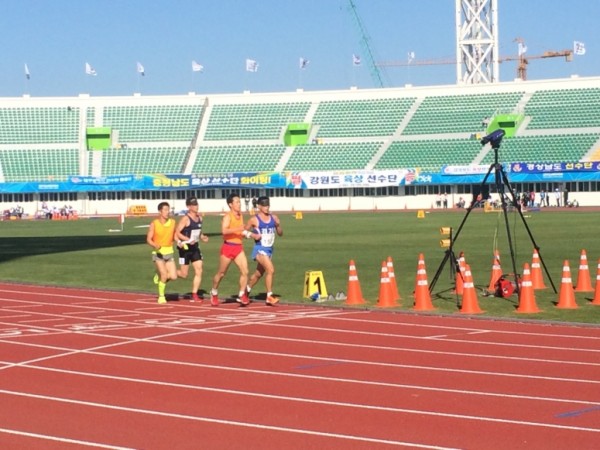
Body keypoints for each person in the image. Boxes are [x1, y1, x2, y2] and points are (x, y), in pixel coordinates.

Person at [210, 193, 257, 307]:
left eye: (239, 202)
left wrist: (250, 234)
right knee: (221, 273)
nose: (239, 204)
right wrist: (238, 228)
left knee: (245, 271)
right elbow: (224, 231)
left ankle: (241, 294)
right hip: (228, 247)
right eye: (237, 202)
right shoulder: (228, 216)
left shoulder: (240, 215)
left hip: (238, 247)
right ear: (230, 204)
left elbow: (241, 231)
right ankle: (214, 292)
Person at [246, 196, 283, 306]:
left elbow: (280, 233)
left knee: (258, 274)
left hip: (269, 250)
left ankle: (245, 292)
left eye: (268, 205)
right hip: (259, 249)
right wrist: (252, 235)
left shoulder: (274, 218)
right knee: (270, 270)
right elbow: (243, 231)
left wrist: (278, 226)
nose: (267, 207)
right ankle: (269, 296)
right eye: (264, 205)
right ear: (259, 206)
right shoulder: (254, 219)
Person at [175, 196, 209, 303]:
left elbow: (198, 231)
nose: (196, 206)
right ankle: (166, 274)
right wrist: (187, 240)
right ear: (188, 207)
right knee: (184, 274)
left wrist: (202, 237)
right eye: (193, 205)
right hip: (184, 249)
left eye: (196, 204)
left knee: (199, 270)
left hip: (194, 248)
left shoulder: (200, 218)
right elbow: (177, 233)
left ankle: (194, 294)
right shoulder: (185, 219)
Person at [146, 202, 177, 304]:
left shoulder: (173, 222)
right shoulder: (154, 224)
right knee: (164, 275)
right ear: (160, 211)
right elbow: (148, 239)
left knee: (173, 276)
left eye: (168, 210)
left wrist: (179, 241)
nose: (168, 212)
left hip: (169, 252)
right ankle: (161, 296)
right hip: (158, 253)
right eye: (165, 210)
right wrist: (154, 245)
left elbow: (174, 235)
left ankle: (158, 274)